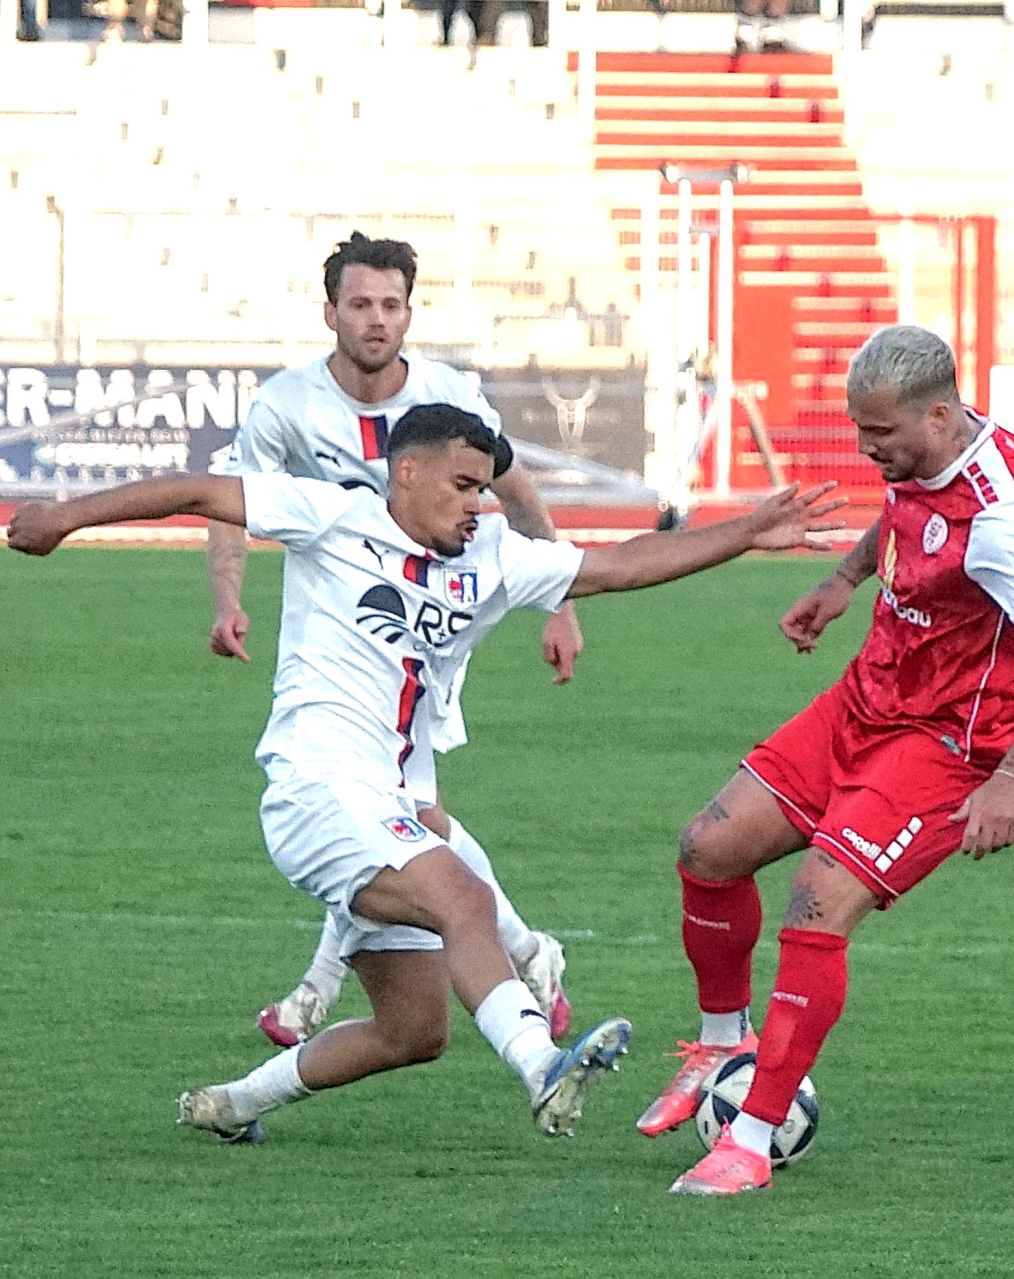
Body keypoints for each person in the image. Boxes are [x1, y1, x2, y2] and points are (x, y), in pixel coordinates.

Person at [7, 405, 844, 1139]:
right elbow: (200, 491)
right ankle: (543, 1067)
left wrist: (744, 532)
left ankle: (232, 1102)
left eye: (485, 487)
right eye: (463, 485)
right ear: (405, 474)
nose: (479, 503)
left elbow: (615, 566)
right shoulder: (332, 518)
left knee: (412, 1029)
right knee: (461, 895)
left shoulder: (490, 554)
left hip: (393, 800)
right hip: (316, 788)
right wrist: (67, 514)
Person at [633, 325, 1014, 1196]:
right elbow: (900, 518)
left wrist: (1013, 779)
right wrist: (845, 581)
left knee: (819, 896)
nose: (865, 447)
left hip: (948, 745)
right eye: (860, 428)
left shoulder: (1009, 515)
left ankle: (752, 1137)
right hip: (864, 701)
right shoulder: (921, 458)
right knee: (708, 845)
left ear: (938, 411)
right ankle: (722, 1043)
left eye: (879, 432)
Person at [209, 233, 584, 1049]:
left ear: (410, 311)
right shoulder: (288, 405)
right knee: (403, 814)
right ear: (331, 311)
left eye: (391, 304)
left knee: (394, 816)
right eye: (360, 304)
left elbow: (516, 489)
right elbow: (229, 501)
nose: (377, 320)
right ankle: (524, 952)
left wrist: (560, 606)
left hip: (426, 629)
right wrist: (228, 599)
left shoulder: (449, 398)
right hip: (333, 635)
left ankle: (338, 983)